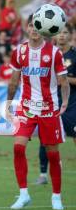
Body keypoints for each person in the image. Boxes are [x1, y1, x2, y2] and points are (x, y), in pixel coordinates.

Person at [5, 15, 69, 210]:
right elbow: (14, 81)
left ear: (43, 29)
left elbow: (63, 82)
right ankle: (23, 194)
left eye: (37, 26)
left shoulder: (54, 53)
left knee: (52, 153)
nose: (33, 29)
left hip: (49, 109)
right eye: (31, 26)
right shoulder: (19, 51)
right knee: (18, 147)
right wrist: (8, 104)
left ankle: (56, 196)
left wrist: (65, 101)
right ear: (27, 28)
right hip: (26, 108)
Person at [35, 24, 76, 185]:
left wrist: (65, 79)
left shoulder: (74, 55)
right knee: (45, 139)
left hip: (72, 104)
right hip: (50, 102)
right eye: (59, 33)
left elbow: (65, 79)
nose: (62, 36)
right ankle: (43, 174)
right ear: (54, 35)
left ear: (71, 35)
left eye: (65, 32)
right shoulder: (47, 53)